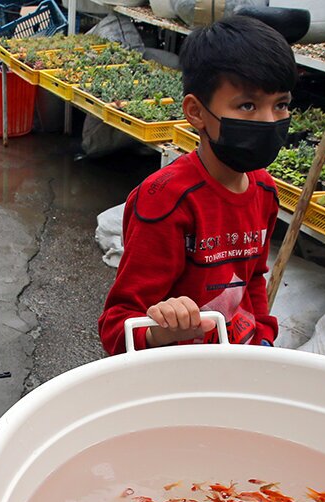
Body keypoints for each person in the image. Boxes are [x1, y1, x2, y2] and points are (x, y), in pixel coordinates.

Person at [98, 15, 296, 355]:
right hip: (179, 374)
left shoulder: (263, 191)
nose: (269, 121)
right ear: (196, 112)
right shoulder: (166, 200)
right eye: (247, 106)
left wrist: (262, 336)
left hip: (235, 362)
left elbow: (252, 280)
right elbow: (117, 326)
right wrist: (163, 330)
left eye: (280, 105)